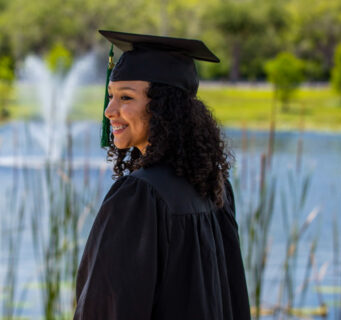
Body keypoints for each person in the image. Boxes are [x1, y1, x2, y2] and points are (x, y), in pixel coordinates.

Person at [73, 30, 251, 319]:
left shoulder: (140, 195)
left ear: (163, 107)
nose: (109, 111)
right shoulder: (213, 187)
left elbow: (108, 307)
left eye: (126, 97)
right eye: (111, 96)